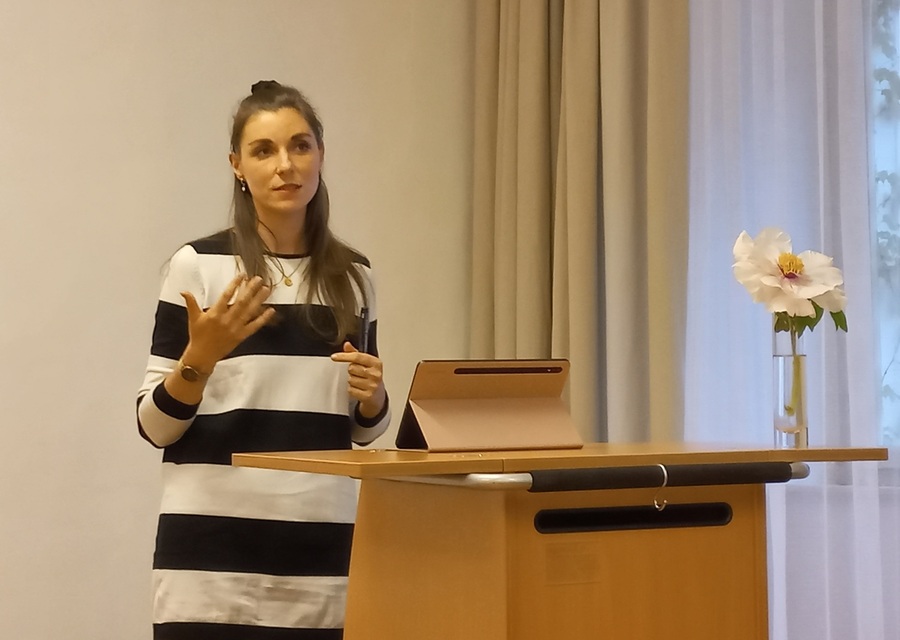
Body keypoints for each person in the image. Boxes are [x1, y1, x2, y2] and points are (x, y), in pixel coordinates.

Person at [136, 80, 390, 639]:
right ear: (237, 166)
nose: (285, 166)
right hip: (208, 556)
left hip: (321, 549)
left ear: (320, 154)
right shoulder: (198, 265)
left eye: (300, 146)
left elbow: (362, 429)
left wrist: (374, 398)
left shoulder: (354, 276)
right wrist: (198, 360)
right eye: (263, 150)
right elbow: (154, 426)